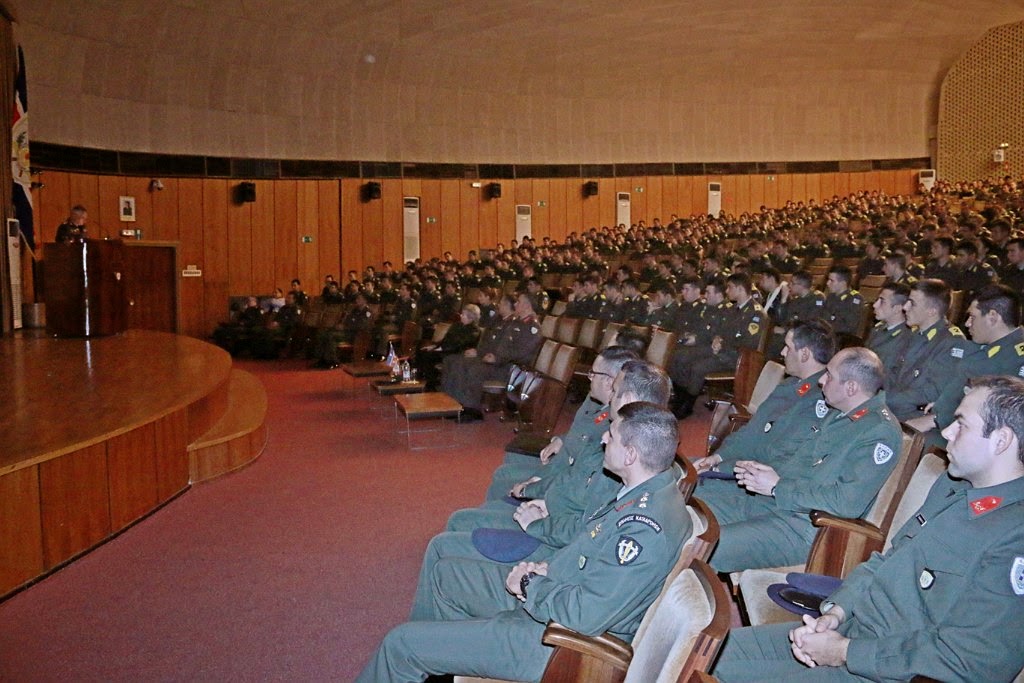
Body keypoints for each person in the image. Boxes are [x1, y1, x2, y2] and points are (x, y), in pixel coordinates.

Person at [712, 375, 1024, 683]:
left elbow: (970, 661)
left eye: (962, 424)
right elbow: (887, 560)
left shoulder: (1014, 536)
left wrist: (846, 653)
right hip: (855, 629)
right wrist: (836, 613)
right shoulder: (952, 486)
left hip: (892, 669)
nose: (946, 431)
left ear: (1001, 440)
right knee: (710, 655)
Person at [355, 403, 691, 683]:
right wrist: (546, 570)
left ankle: (423, 657)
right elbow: (592, 554)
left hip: (557, 642)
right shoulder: (648, 492)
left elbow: (586, 615)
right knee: (446, 576)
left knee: (400, 645)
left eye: (613, 435)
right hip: (555, 594)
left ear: (630, 454)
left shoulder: (644, 528)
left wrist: (531, 584)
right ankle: (437, 661)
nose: (604, 437)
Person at [703, 347, 901, 573]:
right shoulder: (838, 412)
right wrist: (737, 468)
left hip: (805, 526)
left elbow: (846, 503)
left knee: (708, 546)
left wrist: (777, 487)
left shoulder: (879, 432)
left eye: (830, 375)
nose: (821, 381)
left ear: (851, 387)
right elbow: (788, 457)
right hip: (773, 502)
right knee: (689, 501)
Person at [694, 319, 836, 476]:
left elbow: (775, 458)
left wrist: (720, 469)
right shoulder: (790, 384)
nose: (782, 353)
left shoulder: (818, 400)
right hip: (739, 466)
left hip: (753, 480)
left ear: (804, 354)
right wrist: (717, 458)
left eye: (788, 347)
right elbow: (753, 430)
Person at [906, 284, 1024, 445]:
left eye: (973, 317)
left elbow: (1003, 416)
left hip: (972, 438)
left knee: (903, 443)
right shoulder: (989, 347)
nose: (967, 324)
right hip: (949, 422)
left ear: (993, 317)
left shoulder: (1015, 359)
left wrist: (937, 418)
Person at [441, 293, 543, 422]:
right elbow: (496, 344)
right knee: (458, 362)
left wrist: (497, 358)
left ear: (527, 305)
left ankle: (472, 410)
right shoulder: (516, 322)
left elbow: (523, 352)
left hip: (511, 369)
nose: (515, 304)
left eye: (519, 302)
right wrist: (486, 354)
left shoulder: (532, 327)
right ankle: (452, 403)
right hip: (498, 362)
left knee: (474, 369)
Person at [884, 279, 973, 420]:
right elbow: (892, 372)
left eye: (912, 303)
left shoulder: (952, 343)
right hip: (892, 408)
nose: (905, 307)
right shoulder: (913, 333)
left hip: (914, 417)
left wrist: (884, 400)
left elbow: (931, 393)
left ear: (932, 311)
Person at [415, 304, 482, 390]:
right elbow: (445, 339)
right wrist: (435, 346)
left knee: (429, 356)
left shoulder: (474, 330)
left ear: (471, 317)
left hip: (457, 352)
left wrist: (441, 349)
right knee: (421, 349)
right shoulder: (457, 325)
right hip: (445, 349)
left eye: (464, 314)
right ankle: (419, 379)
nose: (461, 316)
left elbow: (461, 344)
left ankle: (431, 384)